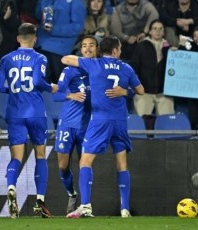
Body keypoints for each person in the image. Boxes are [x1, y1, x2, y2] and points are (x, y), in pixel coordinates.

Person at [61, 35, 144, 218]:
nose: (120, 51)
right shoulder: (126, 67)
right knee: (121, 164)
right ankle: (125, 209)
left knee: (85, 161)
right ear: (115, 50)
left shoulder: (94, 64)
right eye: (120, 48)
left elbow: (65, 59)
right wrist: (125, 92)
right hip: (120, 121)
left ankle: (85, 206)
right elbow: (141, 91)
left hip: (100, 120)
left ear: (101, 50)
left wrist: (84, 59)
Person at [0, 23, 58, 219]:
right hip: (36, 112)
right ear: (35, 38)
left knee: (16, 157)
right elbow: (39, 81)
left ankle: (12, 187)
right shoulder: (40, 57)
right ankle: (40, 201)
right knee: (40, 155)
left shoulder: (6, 59)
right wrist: (51, 88)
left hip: (15, 113)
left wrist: (15, 90)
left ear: (17, 38)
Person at [130, 19, 175, 117]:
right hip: (144, 92)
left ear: (163, 32)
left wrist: (177, 52)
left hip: (164, 92)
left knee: (167, 123)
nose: (158, 31)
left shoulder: (170, 49)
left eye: (160, 29)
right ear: (150, 31)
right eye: (155, 28)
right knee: (141, 124)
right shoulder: (141, 46)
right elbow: (134, 67)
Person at [35, 0, 85, 83]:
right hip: (40, 45)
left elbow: (76, 27)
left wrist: (54, 29)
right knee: (39, 84)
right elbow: (38, 16)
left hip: (59, 50)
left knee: (59, 87)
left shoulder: (75, 2)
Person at [177, 25, 198, 129]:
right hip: (193, 86)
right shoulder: (189, 48)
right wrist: (179, 47)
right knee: (193, 113)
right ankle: (194, 130)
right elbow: (180, 60)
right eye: (195, 35)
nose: (197, 38)